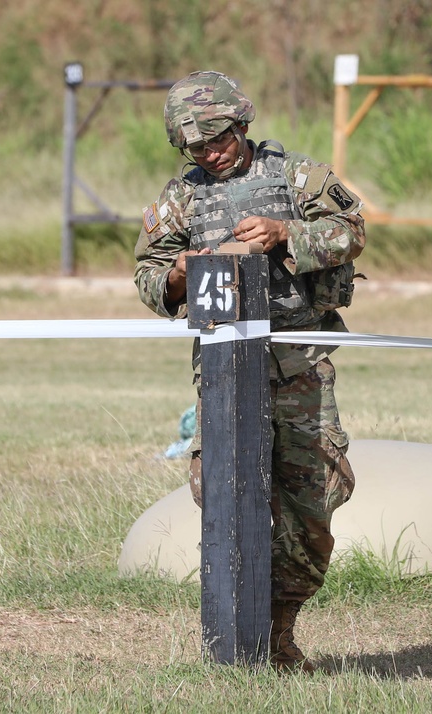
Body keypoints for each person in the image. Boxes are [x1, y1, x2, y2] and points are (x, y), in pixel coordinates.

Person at [133, 70, 365, 673]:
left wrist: (288, 233)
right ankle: (235, 640)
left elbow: (351, 232)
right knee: (222, 495)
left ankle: (279, 632)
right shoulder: (181, 198)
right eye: (195, 146)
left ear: (242, 124)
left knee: (317, 496)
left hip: (298, 370)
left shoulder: (297, 177)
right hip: (224, 373)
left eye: (218, 139)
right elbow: (148, 277)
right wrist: (180, 272)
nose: (209, 153)